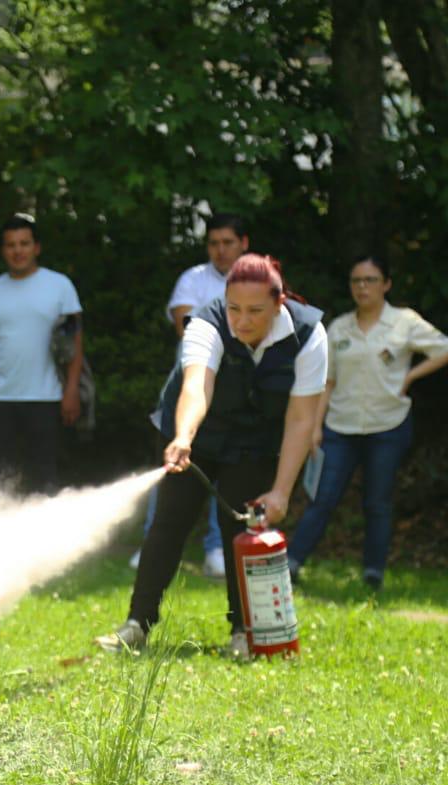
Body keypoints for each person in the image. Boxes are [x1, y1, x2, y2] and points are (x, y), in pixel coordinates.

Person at [96, 254, 327, 656]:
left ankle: (243, 632)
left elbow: (301, 419)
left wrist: (282, 492)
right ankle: (137, 624)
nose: (242, 320)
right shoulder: (206, 322)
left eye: (255, 310)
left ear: (279, 303)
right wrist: (184, 437)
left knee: (241, 527)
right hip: (193, 435)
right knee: (169, 522)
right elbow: (196, 386)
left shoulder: (309, 334)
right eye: (235, 308)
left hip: (254, 442)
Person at [287, 256, 448, 590]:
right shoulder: (339, 327)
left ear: (386, 284)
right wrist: (315, 427)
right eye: (356, 280)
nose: (362, 287)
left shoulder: (405, 322)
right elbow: (326, 381)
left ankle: (373, 573)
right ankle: (291, 564)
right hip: (340, 427)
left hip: (388, 424)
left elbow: (443, 349)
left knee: (377, 502)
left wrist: (410, 376)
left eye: (370, 280)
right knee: (323, 498)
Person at [131, 214, 250, 577]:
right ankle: (153, 544)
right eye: (214, 243)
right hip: (191, 393)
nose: (220, 250)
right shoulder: (193, 279)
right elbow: (187, 325)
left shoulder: (258, 281)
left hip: (236, 404)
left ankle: (216, 550)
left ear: (244, 243)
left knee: (225, 480)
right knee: (171, 472)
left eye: (228, 242)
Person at [0, 213, 83, 495]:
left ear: (36, 247)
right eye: (11, 245)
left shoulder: (60, 287)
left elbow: (74, 343)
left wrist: (72, 390)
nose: (18, 251)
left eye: (24, 244)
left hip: (45, 397)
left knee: (43, 479)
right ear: (3, 250)